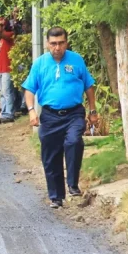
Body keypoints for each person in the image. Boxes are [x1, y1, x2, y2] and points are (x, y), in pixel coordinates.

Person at [22, 27, 98, 208]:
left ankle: (72, 184)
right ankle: (56, 197)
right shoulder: (40, 64)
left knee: (73, 141)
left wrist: (93, 111)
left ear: (66, 42)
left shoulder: (76, 60)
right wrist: (32, 110)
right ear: (48, 44)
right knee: (51, 156)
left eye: (61, 43)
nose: (58, 47)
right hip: (49, 116)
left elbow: (89, 86)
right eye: (54, 44)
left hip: (74, 113)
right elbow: (29, 89)